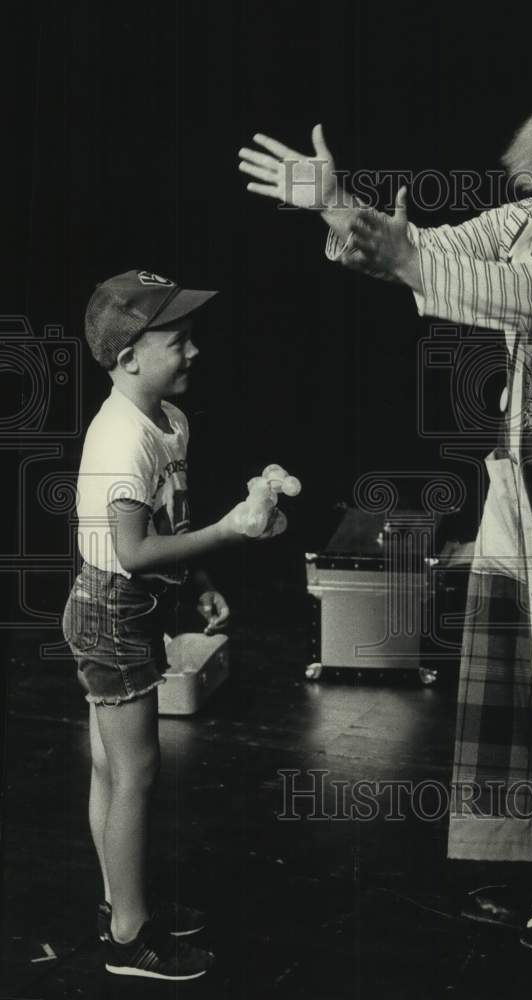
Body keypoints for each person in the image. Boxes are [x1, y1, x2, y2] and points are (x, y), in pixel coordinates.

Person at [238, 39, 532, 959]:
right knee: (511, 664)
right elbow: (430, 252)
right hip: (523, 471)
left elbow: (526, 298)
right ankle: (520, 860)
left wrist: (408, 257)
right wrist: (338, 209)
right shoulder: (517, 219)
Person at [62, 269, 277, 979]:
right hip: (109, 611)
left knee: (111, 768)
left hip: (129, 605)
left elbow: (165, 526)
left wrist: (202, 580)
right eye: (176, 342)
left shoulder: (169, 421)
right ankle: (129, 936)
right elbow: (131, 551)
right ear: (127, 358)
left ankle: (121, 903)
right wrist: (232, 532)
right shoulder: (121, 438)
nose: (193, 353)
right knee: (136, 773)